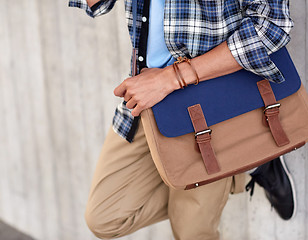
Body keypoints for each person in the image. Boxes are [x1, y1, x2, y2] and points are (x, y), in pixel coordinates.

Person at [69, 0, 296, 239]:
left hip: (210, 103)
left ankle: (242, 156)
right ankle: (245, 161)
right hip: (148, 96)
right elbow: (97, 4)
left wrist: (171, 79)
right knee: (105, 217)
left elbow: (272, 25)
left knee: (190, 232)